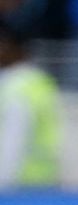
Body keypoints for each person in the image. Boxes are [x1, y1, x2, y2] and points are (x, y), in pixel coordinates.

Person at [0, 17, 61, 188]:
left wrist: (3, 188)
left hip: (20, 185)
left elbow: (11, 144)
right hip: (41, 182)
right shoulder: (39, 82)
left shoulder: (17, 89)